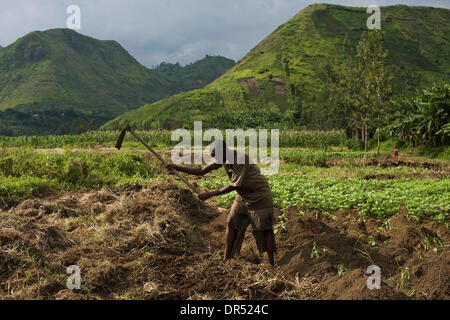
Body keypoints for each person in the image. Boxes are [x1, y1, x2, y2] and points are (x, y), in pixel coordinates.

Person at [166, 140, 276, 266]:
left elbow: (233, 186)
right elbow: (202, 171)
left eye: (216, 156)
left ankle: (271, 264)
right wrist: (177, 168)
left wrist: (210, 194)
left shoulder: (240, 158)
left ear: (224, 151)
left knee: (265, 229)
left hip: (259, 194)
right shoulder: (223, 158)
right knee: (231, 222)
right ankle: (227, 259)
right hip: (243, 194)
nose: (216, 159)